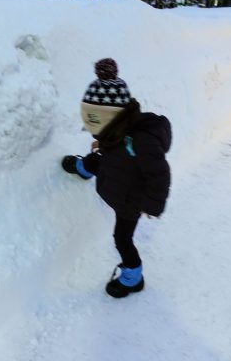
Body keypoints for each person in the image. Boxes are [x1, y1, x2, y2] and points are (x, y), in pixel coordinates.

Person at [61, 58, 172, 298]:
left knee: (122, 239)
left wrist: (152, 205)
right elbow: (111, 140)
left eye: (98, 125)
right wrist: (102, 141)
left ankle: (133, 277)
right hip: (114, 172)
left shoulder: (140, 141)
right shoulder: (116, 131)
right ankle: (83, 168)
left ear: (113, 118)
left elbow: (159, 175)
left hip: (130, 199)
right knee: (95, 159)